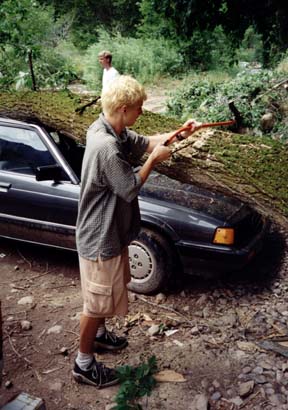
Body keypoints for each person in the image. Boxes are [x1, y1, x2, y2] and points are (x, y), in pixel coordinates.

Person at [73, 75, 200, 388]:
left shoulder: (107, 127)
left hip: (110, 231)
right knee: (95, 303)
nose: (142, 112)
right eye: (139, 108)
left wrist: (178, 134)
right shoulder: (105, 146)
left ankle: (100, 337)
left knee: (103, 297)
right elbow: (129, 188)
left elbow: (145, 142)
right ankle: (83, 364)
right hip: (99, 237)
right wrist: (154, 162)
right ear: (124, 109)